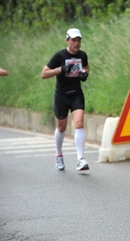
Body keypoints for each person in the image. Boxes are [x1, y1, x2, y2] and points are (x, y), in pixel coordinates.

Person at [41, 28, 90, 171]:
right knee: (61, 127)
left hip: (76, 94)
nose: (76, 43)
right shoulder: (59, 55)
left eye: (78, 40)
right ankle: (58, 155)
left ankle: (81, 159)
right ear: (67, 40)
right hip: (61, 96)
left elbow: (86, 68)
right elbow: (44, 74)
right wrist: (61, 69)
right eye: (73, 40)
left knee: (79, 123)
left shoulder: (82, 55)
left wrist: (84, 74)